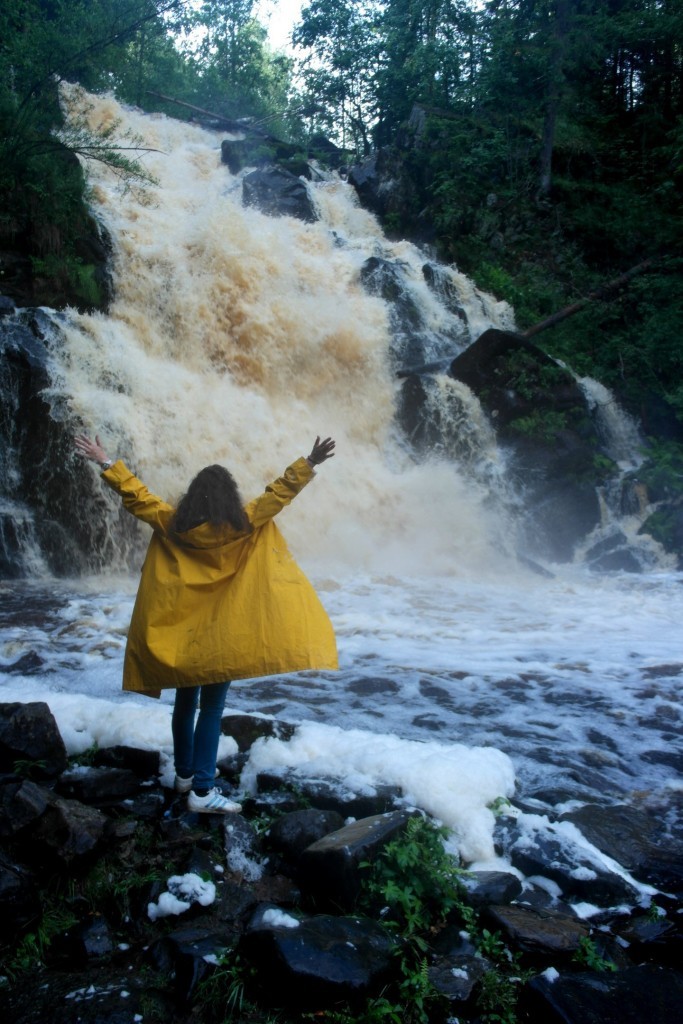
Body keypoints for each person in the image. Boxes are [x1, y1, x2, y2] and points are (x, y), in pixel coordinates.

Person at [74, 433, 338, 814]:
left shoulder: (170, 523)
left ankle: (184, 775)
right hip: (222, 639)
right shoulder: (245, 523)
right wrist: (310, 461)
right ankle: (202, 790)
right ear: (229, 498)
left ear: (193, 497)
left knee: (185, 702)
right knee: (211, 710)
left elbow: (136, 496)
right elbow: (279, 493)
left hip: (185, 638)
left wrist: (104, 461)